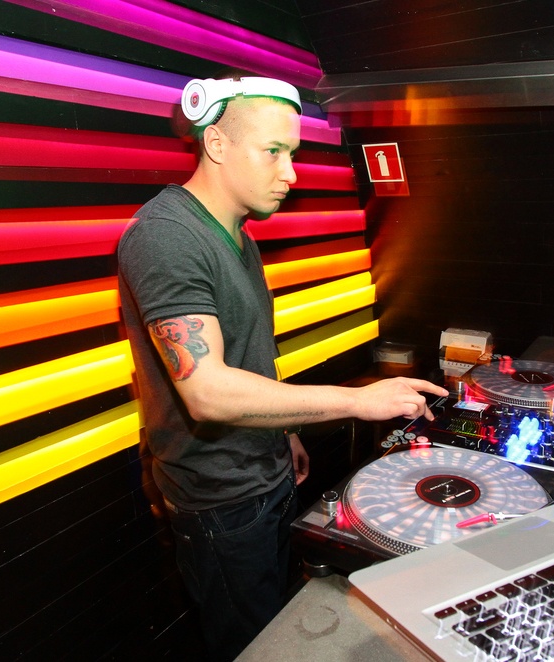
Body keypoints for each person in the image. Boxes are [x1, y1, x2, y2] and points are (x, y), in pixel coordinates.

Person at [117, 76, 447, 661]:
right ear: (216, 143)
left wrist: (285, 429)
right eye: (273, 151)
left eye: (291, 153)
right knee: (252, 648)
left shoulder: (235, 234)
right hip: (220, 499)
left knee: (279, 630)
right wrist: (356, 400)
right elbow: (208, 392)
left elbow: (248, 354)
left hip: (262, 474)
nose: (290, 172)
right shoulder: (166, 237)